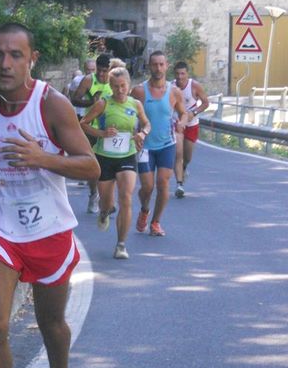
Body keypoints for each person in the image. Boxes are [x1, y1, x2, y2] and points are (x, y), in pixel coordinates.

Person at [0, 22, 100, 368]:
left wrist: (44, 159)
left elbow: (91, 167)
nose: (5, 64)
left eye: (15, 55)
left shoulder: (52, 106)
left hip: (48, 229)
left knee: (51, 324)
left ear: (32, 60)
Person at [80, 67, 151, 259]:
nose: (120, 90)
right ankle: (104, 211)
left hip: (127, 155)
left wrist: (142, 133)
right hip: (105, 156)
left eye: (123, 86)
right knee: (106, 202)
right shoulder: (103, 104)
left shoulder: (135, 104)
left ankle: (121, 245)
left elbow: (146, 123)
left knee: (126, 197)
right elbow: (83, 123)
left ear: (129, 85)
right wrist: (102, 134)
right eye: (116, 86)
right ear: (110, 87)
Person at [130, 51, 188, 237]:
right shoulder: (139, 91)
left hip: (166, 144)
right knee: (147, 187)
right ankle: (145, 209)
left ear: (167, 66)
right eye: (154, 64)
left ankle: (155, 222)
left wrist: (182, 122)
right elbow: (129, 115)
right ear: (149, 66)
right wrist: (135, 134)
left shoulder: (174, 92)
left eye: (161, 64)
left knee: (163, 182)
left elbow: (183, 113)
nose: (158, 68)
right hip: (144, 146)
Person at [71, 53, 113, 213]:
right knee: (94, 165)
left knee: (108, 165)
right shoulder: (89, 80)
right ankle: (93, 194)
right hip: (91, 128)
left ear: (109, 69)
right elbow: (74, 99)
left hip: (110, 128)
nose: (101, 74)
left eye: (104, 71)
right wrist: (91, 102)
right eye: (99, 70)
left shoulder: (114, 80)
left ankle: (106, 198)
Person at [172, 61, 209, 198]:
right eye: (177, 74)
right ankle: (179, 184)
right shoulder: (170, 87)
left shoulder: (194, 86)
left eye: (182, 74)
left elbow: (206, 103)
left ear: (187, 74)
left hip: (191, 124)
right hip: (176, 124)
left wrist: (194, 112)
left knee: (187, 157)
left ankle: (184, 168)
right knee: (178, 154)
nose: (180, 77)